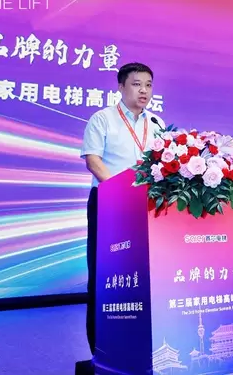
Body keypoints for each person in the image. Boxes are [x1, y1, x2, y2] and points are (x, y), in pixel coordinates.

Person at [76, 62, 165, 374]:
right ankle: (100, 350)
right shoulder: (102, 118)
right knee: (104, 274)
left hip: (146, 208)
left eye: (148, 85)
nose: (144, 91)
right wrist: (119, 192)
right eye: (137, 84)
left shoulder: (157, 123)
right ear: (121, 87)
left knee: (143, 275)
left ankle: (140, 346)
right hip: (109, 204)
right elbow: (93, 160)